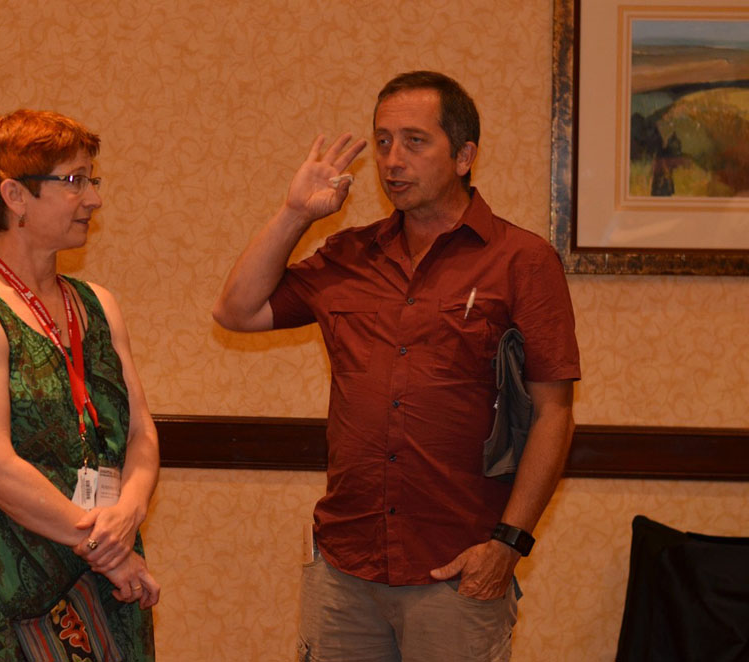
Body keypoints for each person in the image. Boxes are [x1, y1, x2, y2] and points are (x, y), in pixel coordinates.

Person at [213, 71, 580, 661]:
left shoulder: (522, 260)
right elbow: (237, 311)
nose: (392, 160)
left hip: (458, 566)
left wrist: (508, 545)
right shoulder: (349, 255)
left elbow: (553, 413)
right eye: (383, 142)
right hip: (345, 568)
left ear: (464, 156)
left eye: (414, 141)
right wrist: (295, 214)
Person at [0, 109, 159, 661]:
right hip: (4, 587)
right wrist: (106, 545)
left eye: (92, 180)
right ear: (15, 196)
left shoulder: (98, 304)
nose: (94, 199)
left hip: (104, 573)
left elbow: (140, 432)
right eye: (74, 181)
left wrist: (130, 512)